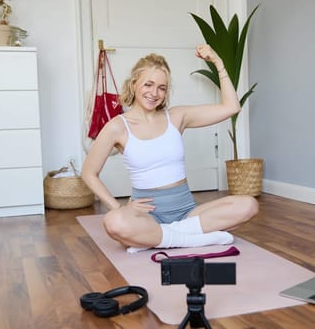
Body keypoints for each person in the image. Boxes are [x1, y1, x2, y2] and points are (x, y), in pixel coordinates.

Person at [82, 44, 258, 253]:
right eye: (148, 84)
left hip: (186, 211)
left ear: (166, 92)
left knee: (249, 205)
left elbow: (231, 107)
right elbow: (88, 173)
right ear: (134, 84)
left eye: (162, 87)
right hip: (147, 215)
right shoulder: (117, 127)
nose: (154, 93)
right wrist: (118, 207)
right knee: (114, 222)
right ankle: (190, 239)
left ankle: (164, 237)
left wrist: (218, 62)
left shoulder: (176, 117)